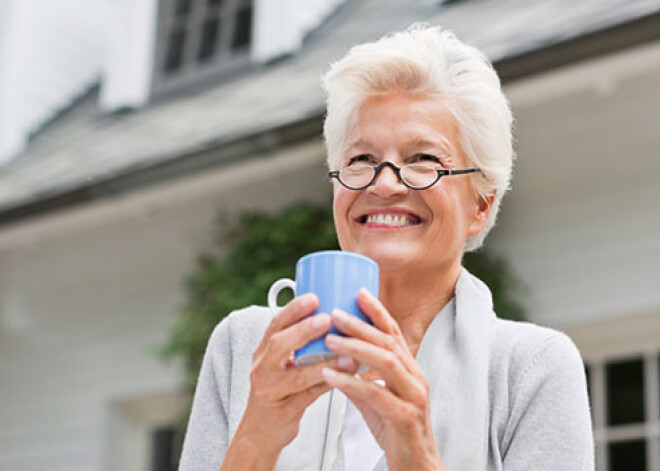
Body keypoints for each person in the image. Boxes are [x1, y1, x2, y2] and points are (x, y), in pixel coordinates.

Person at [179, 25, 594, 471]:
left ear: (480, 204)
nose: (385, 183)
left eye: (423, 160)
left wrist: (416, 452)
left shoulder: (531, 368)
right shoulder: (245, 347)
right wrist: (256, 437)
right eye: (361, 160)